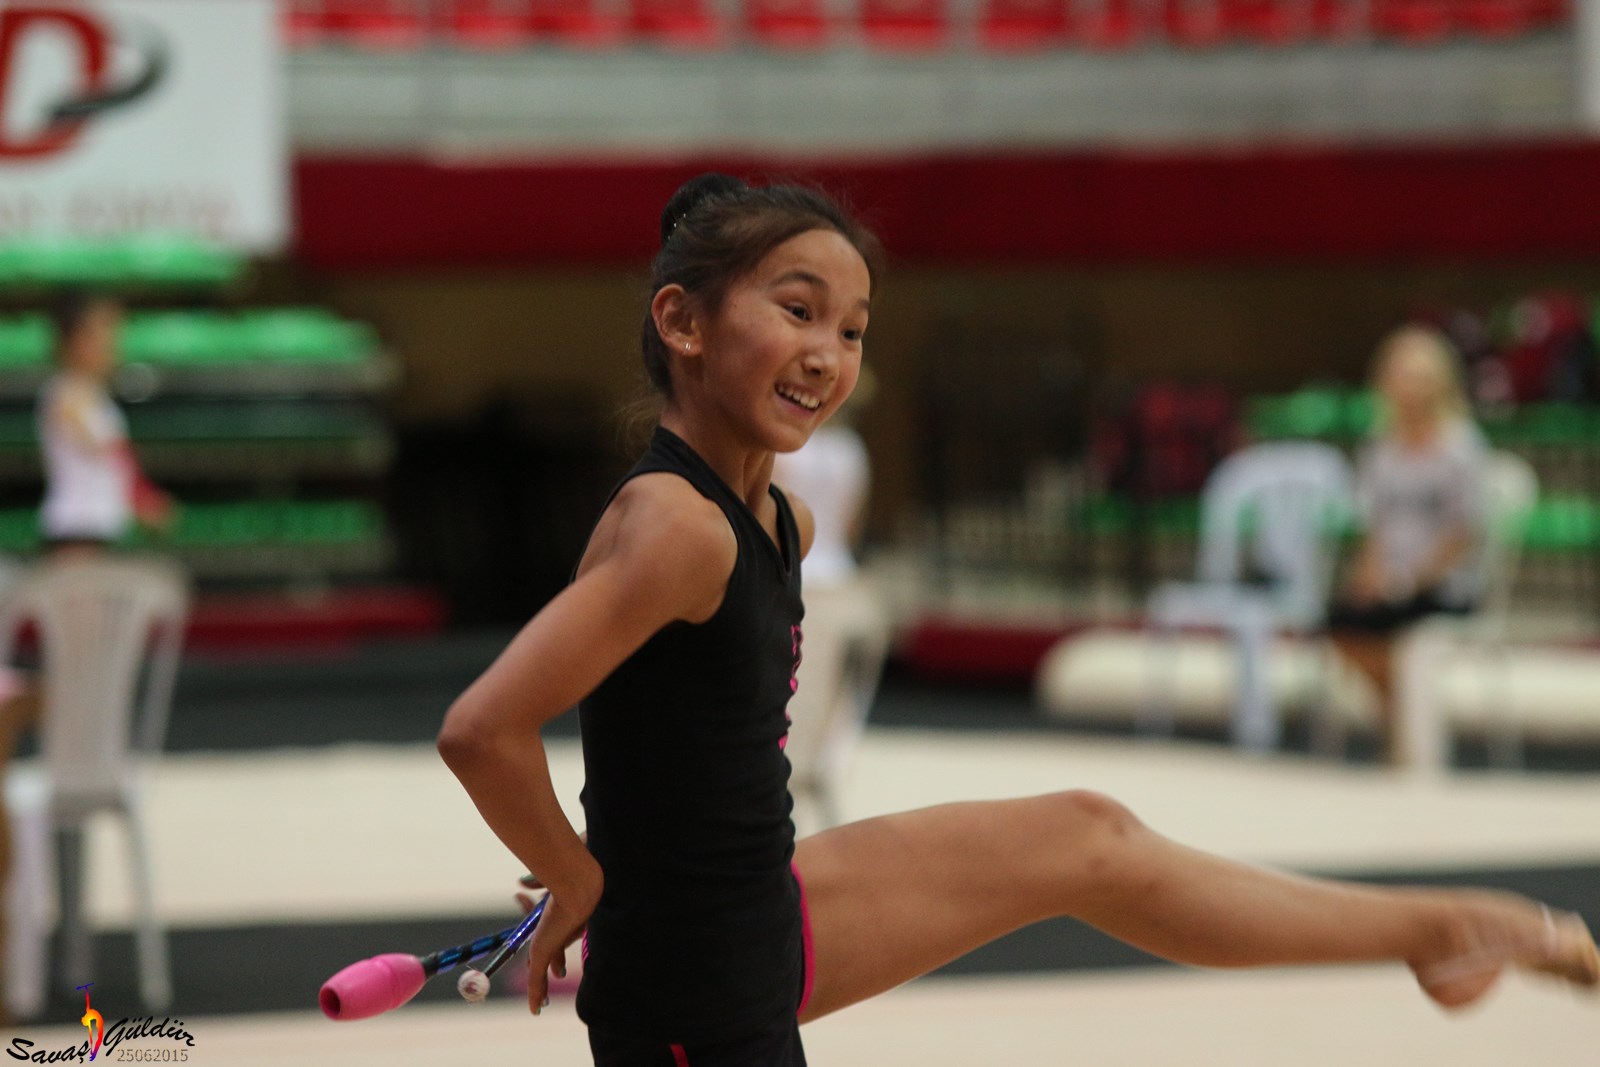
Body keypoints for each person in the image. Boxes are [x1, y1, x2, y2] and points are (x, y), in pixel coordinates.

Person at [436, 175, 1597, 1067]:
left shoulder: (774, 516)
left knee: (1086, 834)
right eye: (797, 311)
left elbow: (651, 741)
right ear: (682, 323)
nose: (828, 354)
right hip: (697, 987)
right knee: (1083, 838)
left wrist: (599, 861)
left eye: (853, 329)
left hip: (751, 907)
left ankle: (1433, 928)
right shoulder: (676, 525)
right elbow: (483, 728)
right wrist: (575, 875)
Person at [1329, 325, 1490, 757]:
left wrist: (1408, 579)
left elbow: (1464, 533)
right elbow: (1374, 527)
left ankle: (1403, 725)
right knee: (1342, 618)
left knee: (1394, 617)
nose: (1409, 387)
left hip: (1442, 583)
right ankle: (1397, 711)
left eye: (1420, 376)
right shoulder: (1381, 447)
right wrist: (1369, 574)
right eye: (1401, 375)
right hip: (1391, 580)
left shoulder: (1459, 447)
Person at [37, 290, 174, 557]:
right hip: (77, 530)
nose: (112, 347)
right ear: (78, 340)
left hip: (102, 528)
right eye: (104, 335)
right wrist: (142, 497)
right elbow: (108, 454)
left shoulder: (96, 397)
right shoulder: (65, 394)